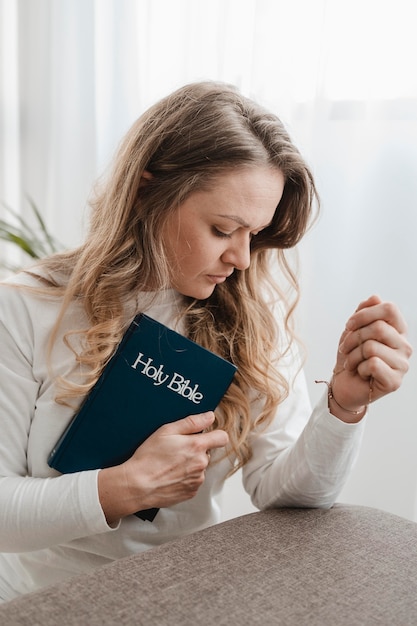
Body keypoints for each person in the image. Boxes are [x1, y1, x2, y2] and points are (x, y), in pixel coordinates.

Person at [0, 81, 412, 602]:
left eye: (254, 234)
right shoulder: (22, 309)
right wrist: (124, 486)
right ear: (148, 191)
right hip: (41, 600)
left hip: (186, 591)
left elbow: (283, 493)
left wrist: (344, 407)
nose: (241, 258)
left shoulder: (251, 323)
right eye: (222, 229)